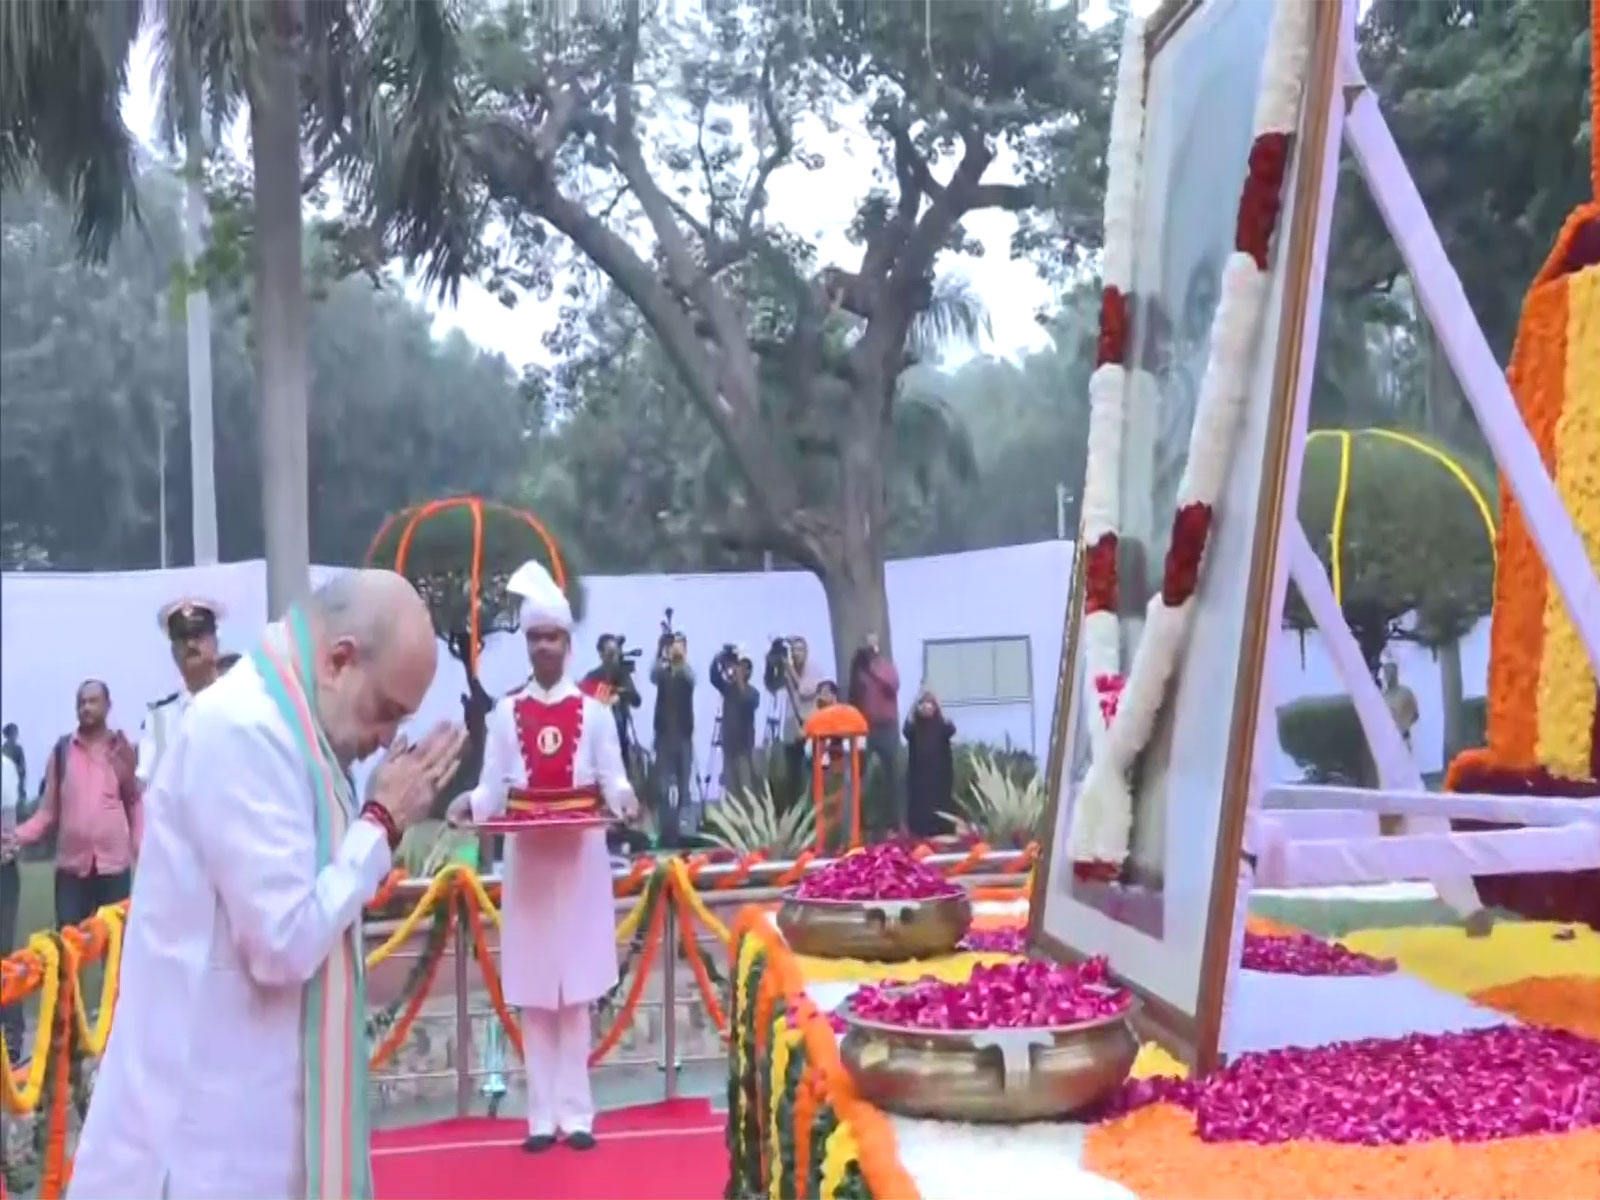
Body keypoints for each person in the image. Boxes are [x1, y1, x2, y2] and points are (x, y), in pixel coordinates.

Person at [67, 570, 465, 1200]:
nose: (388, 737)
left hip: (242, 1135)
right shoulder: (246, 727)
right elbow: (281, 944)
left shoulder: (287, 723)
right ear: (340, 660)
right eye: (387, 711)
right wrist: (380, 825)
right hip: (207, 1147)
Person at [447, 559, 639, 1154]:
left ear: (568, 642)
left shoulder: (598, 713)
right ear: (527, 644)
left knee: (576, 993)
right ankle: (537, 1118)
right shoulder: (505, 714)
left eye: (552, 637)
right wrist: (464, 806)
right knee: (535, 995)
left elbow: (614, 781)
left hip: (580, 859)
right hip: (529, 860)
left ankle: (578, 1115)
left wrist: (628, 804)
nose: (543, 647)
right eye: (534, 638)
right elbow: (492, 790)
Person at [16, 680, 141, 927]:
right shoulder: (62, 751)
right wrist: (15, 836)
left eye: (93, 701)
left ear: (108, 706)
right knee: (69, 951)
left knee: (117, 951)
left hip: (113, 869)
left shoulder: (122, 749)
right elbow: (47, 814)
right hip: (71, 872)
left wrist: (142, 849)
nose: (86, 707)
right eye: (81, 703)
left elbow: (135, 803)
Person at [137, 597, 225, 790]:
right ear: (173, 651)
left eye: (198, 634)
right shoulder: (159, 718)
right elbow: (147, 782)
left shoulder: (239, 703)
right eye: (182, 637)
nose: (191, 643)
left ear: (216, 641)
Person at [848, 634, 904, 828]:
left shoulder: (885, 667)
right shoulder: (858, 670)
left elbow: (893, 685)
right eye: (867, 644)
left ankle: (897, 823)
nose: (871, 648)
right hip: (865, 729)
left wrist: (875, 669)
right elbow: (853, 696)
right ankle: (861, 825)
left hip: (887, 728)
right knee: (860, 777)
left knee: (894, 776)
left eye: (873, 644)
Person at [650, 631, 695, 845]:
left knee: (684, 787)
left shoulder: (687, 672)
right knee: (662, 788)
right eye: (674, 645)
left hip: (684, 737)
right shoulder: (663, 672)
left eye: (680, 645)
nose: (676, 649)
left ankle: (682, 832)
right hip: (663, 737)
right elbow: (653, 675)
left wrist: (680, 659)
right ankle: (666, 832)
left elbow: (691, 678)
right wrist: (661, 650)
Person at [580, 634, 642, 769]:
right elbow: (583, 699)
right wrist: (608, 692)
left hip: (620, 740)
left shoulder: (622, 674)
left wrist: (621, 691)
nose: (613, 656)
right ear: (601, 654)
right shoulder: (593, 676)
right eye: (609, 652)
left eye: (614, 652)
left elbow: (636, 700)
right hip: (599, 741)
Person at [903, 691, 957, 840]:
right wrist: (913, 706)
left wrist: (942, 708)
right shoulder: (915, 726)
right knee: (920, 807)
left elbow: (951, 729)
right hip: (919, 776)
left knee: (940, 806)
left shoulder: (941, 724)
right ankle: (920, 834)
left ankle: (941, 832)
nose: (927, 707)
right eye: (923, 703)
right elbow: (906, 730)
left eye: (930, 703)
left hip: (938, 776)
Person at [710, 645, 761, 799]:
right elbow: (714, 679)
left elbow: (747, 701)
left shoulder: (753, 693)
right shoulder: (728, 689)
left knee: (746, 787)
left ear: (749, 672)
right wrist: (718, 660)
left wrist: (738, 678)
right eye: (739, 666)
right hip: (728, 746)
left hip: (744, 748)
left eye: (744, 668)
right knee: (730, 789)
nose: (740, 670)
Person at [780, 637, 821, 808]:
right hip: (792, 729)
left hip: (809, 728)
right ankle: (794, 808)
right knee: (793, 776)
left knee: (810, 774)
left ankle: (812, 808)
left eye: (800, 650)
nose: (797, 654)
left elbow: (804, 691)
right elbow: (772, 685)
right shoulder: (788, 672)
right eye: (794, 650)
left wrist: (790, 670)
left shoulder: (814, 670)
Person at [1, 745, 23, 1062]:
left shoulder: (4, 765)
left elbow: (7, 826)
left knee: (3, 953)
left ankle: (13, 1037)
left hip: (2, 873)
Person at [2, 721, 26, 800]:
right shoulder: (16, 749)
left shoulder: (18, 749)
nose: (16, 736)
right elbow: (22, 769)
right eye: (15, 733)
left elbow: (22, 770)